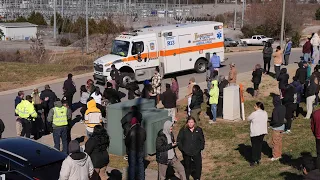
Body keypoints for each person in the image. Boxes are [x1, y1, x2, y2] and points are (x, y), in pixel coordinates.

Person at [247, 102, 268, 166]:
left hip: (255, 132)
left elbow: (248, 119)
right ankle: (258, 158)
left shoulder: (254, 114)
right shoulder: (265, 113)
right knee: (259, 146)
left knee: (254, 147)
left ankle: (254, 160)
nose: (254, 107)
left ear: (258, 107)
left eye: (255, 106)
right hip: (262, 132)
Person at [270, 95, 286, 161]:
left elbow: (275, 120)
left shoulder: (275, 109)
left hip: (276, 127)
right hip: (282, 126)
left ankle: (275, 156)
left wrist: (270, 124)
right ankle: (279, 154)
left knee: (275, 142)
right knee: (279, 141)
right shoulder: (283, 107)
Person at [311, 108, 320, 175]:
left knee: (319, 154)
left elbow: (312, 126)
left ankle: (318, 170)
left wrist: (315, 134)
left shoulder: (315, 113)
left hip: (318, 136)